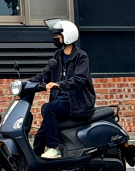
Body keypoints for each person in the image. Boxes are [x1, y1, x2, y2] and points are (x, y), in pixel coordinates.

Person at [29, 19, 95, 163]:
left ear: (68, 36)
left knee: (48, 108)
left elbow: (79, 79)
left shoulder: (81, 56)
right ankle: (32, 168)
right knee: (41, 134)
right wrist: (27, 83)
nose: (55, 38)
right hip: (61, 102)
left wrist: (59, 84)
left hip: (77, 103)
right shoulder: (57, 56)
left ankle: (55, 148)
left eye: (57, 36)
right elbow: (45, 73)